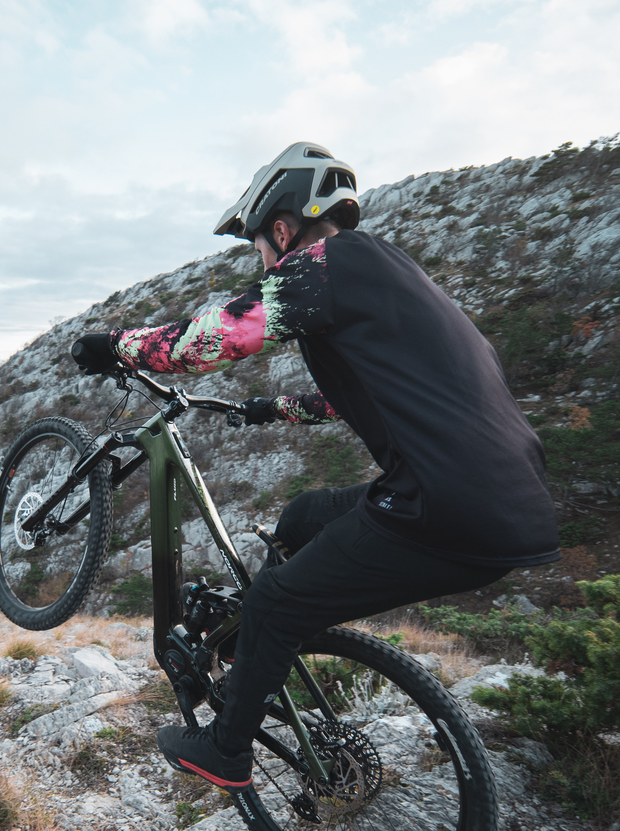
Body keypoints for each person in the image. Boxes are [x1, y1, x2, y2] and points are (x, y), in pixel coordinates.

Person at [71, 142, 560, 789]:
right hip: (508, 501)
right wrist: (268, 409)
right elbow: (356, 393)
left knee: (276, 602)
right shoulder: (388, 272)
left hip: (444, 504)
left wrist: (116, 346)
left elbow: (210, 339)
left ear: (281, 231)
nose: (261, 261)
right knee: (303, 516)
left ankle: (226, 748)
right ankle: (256, 650)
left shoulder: (325, 264)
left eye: (257, 248)